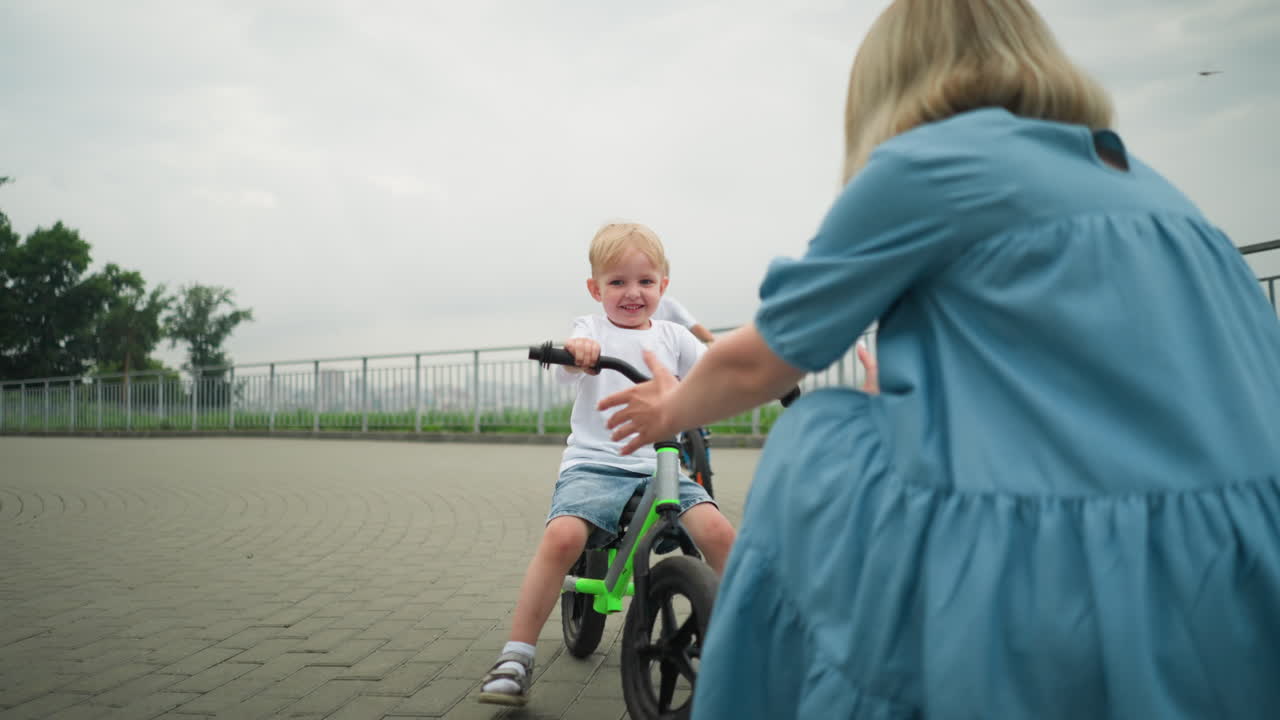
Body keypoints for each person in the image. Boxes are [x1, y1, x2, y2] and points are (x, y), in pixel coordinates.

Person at [598, 0, 1280, 718]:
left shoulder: (932, 165)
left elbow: (763, 363)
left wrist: (668, 407)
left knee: (817, 439)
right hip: (1239, 563)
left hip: (1074, 560)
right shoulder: (1151, 187)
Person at [477, 221, 737, 707]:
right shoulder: (590, 329)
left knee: (721, 534)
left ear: (664, 286)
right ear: (596, 289)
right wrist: (578, 355)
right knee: (562, 538)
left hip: (660, 464)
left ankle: (754, 637)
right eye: (617, 282)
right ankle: (515, 656)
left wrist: (748, 378)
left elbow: (715, 374)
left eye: (644, 281)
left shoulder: (674, 336)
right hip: (595, 464)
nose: (632, 293)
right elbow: (569, 366)